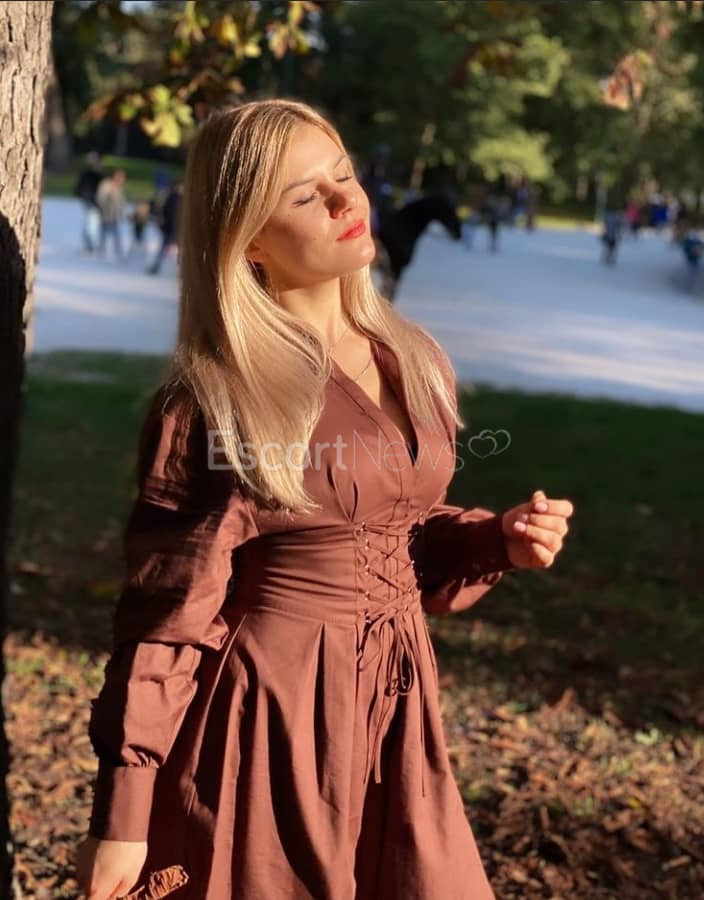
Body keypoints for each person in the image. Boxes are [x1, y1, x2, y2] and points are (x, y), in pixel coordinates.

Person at [74, 99, 574, 900]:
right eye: (307, 195)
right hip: (271, 718)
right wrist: (124, 816)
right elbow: (165, 615)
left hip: (394, 708)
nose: (347, 201)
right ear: (249, 241)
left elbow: (390, 529)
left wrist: (495, 541)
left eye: (344, 175)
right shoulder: (217, 400)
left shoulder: (412, 357)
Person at [147, 180, 183, 275]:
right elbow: (165, 212)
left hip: (174, 229)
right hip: (173, 229)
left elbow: (165, 212)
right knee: (167, 250)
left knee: (176, 251)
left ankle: (181, 269)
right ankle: (157, 267)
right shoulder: (174, 198)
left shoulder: (175, 198)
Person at [74, 151, 104, 252]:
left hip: (93, 201)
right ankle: (89, 245)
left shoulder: (97, 174)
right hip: (90, 201)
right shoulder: (90, 174)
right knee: (91, 223)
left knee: (91, 223)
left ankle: (90, 245)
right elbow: (80, 187)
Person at [96, 168, 127, 260]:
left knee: (115, 234)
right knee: (105, 234)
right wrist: (105, 209)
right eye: (120, 176)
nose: (122, 179)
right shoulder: (106, 185)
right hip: (106, 214)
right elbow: (100, 199)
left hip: (115, 215)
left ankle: (117, 253)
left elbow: (120, 203)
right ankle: (102, 252)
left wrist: (122, 213)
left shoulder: (119, 187)